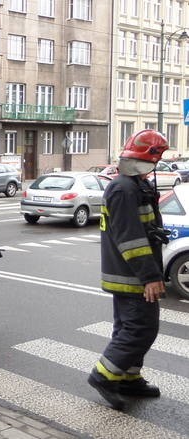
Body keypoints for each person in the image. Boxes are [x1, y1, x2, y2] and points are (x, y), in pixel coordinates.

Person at [88, 129, 169, 410]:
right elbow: (130, 239)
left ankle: (128, 377)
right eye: (158, 158)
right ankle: (104, 375)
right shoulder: (124, 188)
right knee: (140, 329)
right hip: (132, 276)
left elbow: (143, 230)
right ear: (148, 159)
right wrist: (150, 277)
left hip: (132, 274)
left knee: (128, 327)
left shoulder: (134, 185)